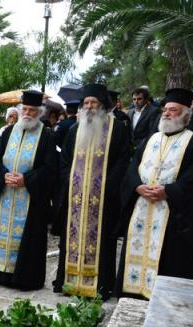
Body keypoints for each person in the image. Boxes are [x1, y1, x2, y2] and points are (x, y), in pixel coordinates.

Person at [116, 88, 193, 300]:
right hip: (142, 207)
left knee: (168, 261)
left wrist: (168, 191)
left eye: (173, 110)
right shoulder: (150, 140)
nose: (167, 113)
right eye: (166, 109)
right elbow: (132, 168)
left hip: (172, 218)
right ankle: (133, 296)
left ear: (186, 115)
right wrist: (137, 186)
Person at [52, 84, 130, 300]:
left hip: (104, 199)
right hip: (75, 196)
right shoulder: (75, 130)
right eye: (85, 103)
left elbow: (122, 162)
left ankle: (100, 286)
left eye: (93, 103)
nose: (88, 107)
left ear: (103, 105)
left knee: (103, 242)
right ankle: (69, 281)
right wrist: (71, 182)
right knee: (70, 241)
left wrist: (106, 186)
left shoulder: (118, 129)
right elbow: (65, 161)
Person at [0, 90, 57, 290]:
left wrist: (27, 179)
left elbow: (50, 170)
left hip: (31, 200)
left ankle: (24, 278)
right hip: (7, 195)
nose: (27, 113)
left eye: (32, 110)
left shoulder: (46, 135)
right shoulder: (9, 132)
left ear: (39, 112)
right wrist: (3, 176)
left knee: (29, 241)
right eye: (24, 108)